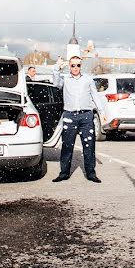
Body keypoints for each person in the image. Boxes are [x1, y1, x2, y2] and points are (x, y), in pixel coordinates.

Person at [51, 55, 107, 183]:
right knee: (67, 146)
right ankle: (64, 173)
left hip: (86, 116)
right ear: (69, 66)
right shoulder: (65, 79)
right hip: (69, 116)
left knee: (89, 145)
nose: (75, 68)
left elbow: (95, 96)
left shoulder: (88, 79)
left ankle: (91, 174)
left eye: (78, 65)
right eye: (73, 65)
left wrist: (102, 112)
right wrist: (56, 67)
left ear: (81, 66)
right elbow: (55, 83)